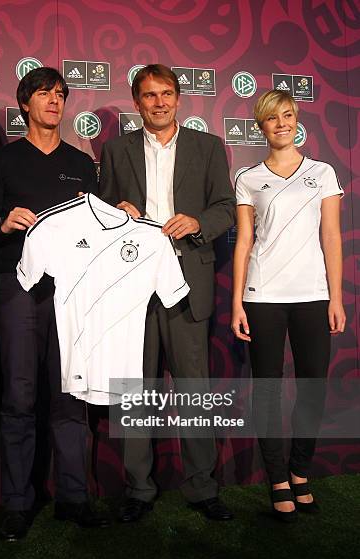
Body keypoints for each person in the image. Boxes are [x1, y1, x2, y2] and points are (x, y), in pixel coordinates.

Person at [99, 64, 236, 522]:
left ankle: (202, 487)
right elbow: (101, 216)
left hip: (187, 282)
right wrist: (116, 211)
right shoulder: (116, 151)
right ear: (136, 103)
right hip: (133, 288)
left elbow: (224, 210)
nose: (158, 102)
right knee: (136, 392)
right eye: (149, 95)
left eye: (166, 94)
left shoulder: (208, 147)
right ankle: (139, 490)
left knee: (194, 389)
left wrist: (197, 223)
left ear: (179, 99)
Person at [0, 67, 109, 540]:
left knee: (70, 397)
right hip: (18, 288)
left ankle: (74, 497)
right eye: (43, 94)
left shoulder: (81, 164)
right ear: (25, 104)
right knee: (18, 395)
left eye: (60, 94)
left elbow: (99, 235)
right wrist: (3, 223)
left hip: (73, 292)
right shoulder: (3, 161)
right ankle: (18, 502)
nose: (54, 102)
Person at [231, 90, 345, 521]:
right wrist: (237, 303)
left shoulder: (323, 172)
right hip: (263, 296)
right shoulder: (248, 178)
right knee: (268, 390)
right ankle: (277, 478)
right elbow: (244, 242)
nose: (281, 123)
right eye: (271, 118)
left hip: (313, 296)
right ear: (260, 127)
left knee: (312, 388)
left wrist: (336, 296)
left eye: (288, 115)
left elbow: (331, 237)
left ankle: (300, 471)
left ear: (297, 121)